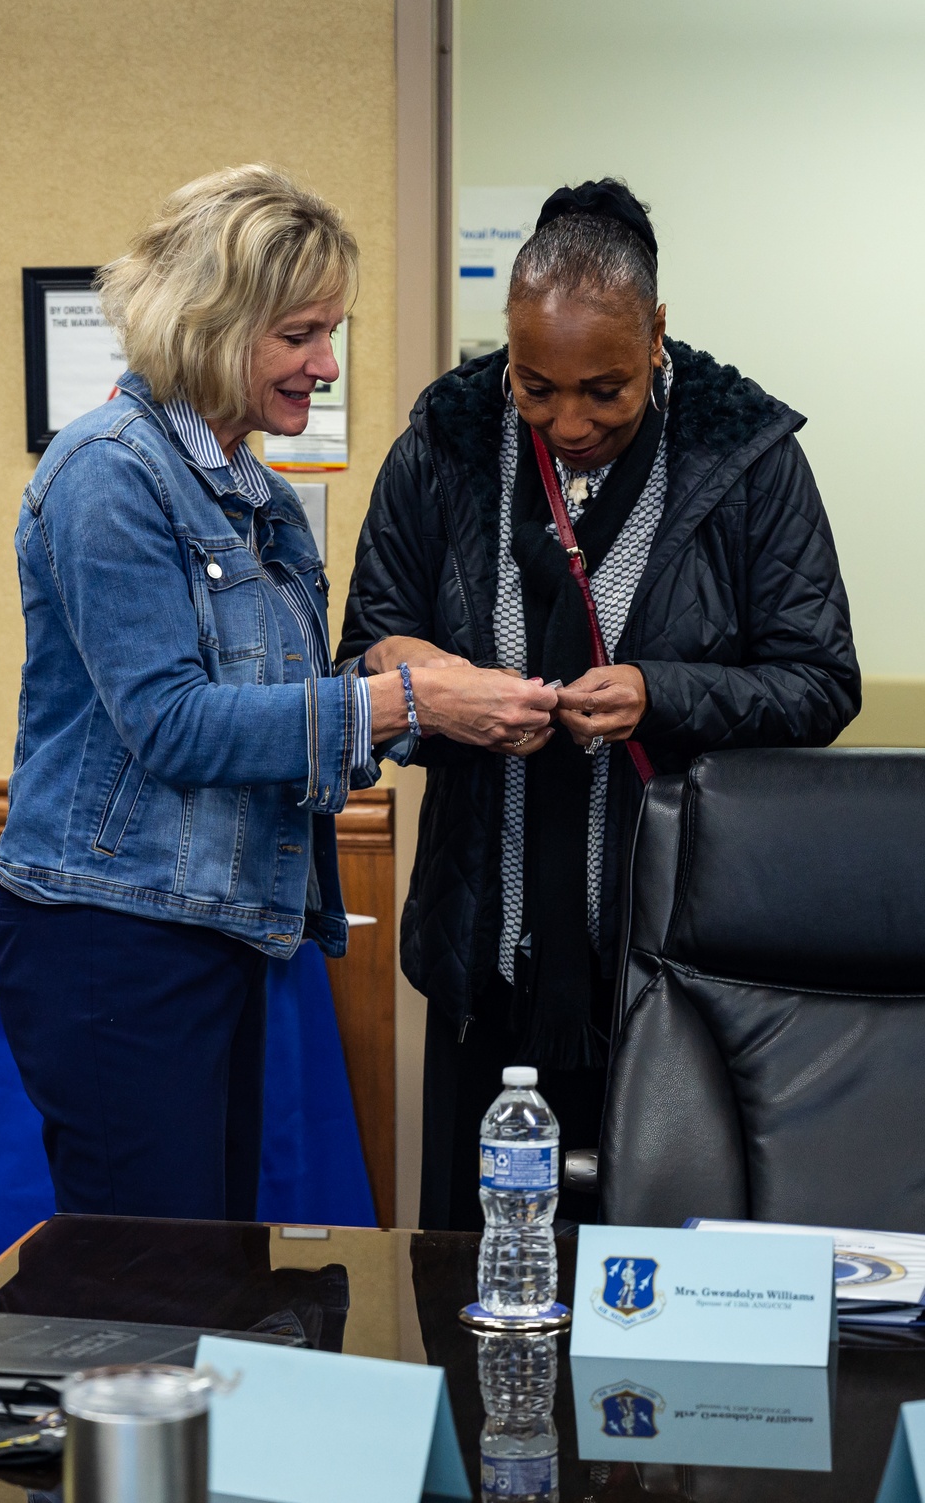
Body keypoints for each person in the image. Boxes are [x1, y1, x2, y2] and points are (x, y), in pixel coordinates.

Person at [0, 164, 554, 1222]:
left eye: (329, 334)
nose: (326, 366)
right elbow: (172, 724)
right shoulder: (108, 472)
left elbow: (266, 711)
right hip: (113, 941)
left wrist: (400, 677)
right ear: (211, 322)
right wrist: (409, 707)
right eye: (299, 336)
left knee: (210, 1277)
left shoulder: (256, 494)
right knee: (146, 1293)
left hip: (217, 927)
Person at [338, 178, 860, 1231]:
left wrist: (662, 692)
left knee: (655, 1262)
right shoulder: (441, 448)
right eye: (536, 388)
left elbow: (819, 681)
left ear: (658, 337)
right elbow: (363, 649)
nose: (568, 421)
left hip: (676, 957)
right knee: (479, 1263)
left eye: (605, 392)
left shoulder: (745, 464)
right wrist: (440, 691)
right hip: (486, 945)